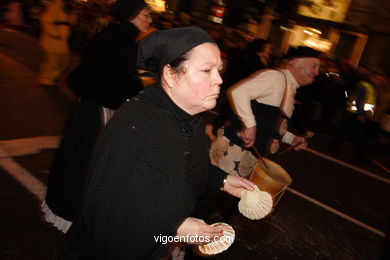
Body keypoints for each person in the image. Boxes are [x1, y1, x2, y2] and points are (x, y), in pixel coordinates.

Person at [58, 26, 255, 259]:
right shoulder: (135, 130)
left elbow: (182, 166)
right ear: (170, 75)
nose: (219, 80)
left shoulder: (189, 119)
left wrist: (221, 180)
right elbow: (110, 220)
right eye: (206, 70)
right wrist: (174, 229)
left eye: (219, 70)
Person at [41, 0, 152, 233]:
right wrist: (144, 82)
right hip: (97, 111)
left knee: (75, 158)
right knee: (89, 163)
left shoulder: (112, 33)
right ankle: (74, 213)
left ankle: (63, 206)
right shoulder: (123, 40)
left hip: (86, 108)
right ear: (131, 14)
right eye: (145, 14)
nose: (149, 20)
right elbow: (117, 84)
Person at [223, 46, 321, 156]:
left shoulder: (290, 86)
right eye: (313, 66)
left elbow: (270, 124)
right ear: (296, 63)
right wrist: (250, 125)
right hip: (234, 152)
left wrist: (291, 139)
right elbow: (238, 92)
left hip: (249, 157)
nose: (317, 72)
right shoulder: (277, 78)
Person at [37, 0, 77, 86]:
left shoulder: (67, 9)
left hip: (62, 41)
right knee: (52, 62)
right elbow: (45, 20)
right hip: (53, 40)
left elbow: (71, 23)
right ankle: (45, 79)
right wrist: (54, 33)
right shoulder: (55, 7)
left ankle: (52, 77)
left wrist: (73, 14)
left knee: (64, 61)